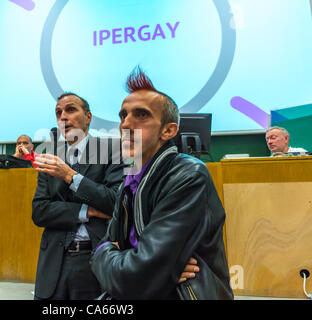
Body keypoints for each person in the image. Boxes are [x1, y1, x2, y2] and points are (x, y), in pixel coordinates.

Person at [31, 92, 199, 300]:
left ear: (88, 117)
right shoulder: (51, 157)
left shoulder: (116, 149)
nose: (63, 117)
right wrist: (87, 210)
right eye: (58, 112)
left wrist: (69, 175)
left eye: (71, 110)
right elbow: (39, 211)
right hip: (53, 261)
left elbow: (115, 202)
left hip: (94, 258)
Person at [90, 69, 234, 300]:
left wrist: (111, 257)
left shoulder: (189, 173)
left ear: (168, 130)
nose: (125, 124)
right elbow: (106, 249)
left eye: (141, 115)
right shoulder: (130, 177)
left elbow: (137, 273)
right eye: (123, 115)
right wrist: (112, 255)